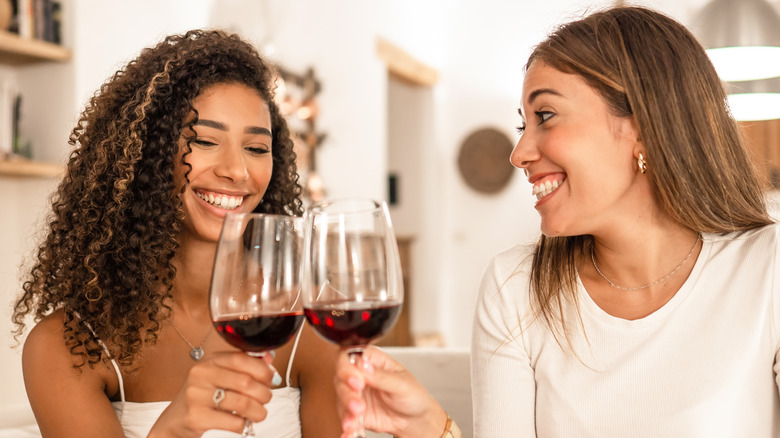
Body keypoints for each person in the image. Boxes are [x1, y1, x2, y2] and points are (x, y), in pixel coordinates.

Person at [335, 5, 780, 437]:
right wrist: (430, 430)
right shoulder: (515, 288)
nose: (519, 154)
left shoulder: (767, 270)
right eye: (523, 126)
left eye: (545, 116)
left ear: (643, 128)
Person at [12, 29, 342, 438]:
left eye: (256, 149)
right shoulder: (68, 346)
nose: (236, 171)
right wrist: (172, 429)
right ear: (146, 154)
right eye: (204, 141)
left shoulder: (312, 317)